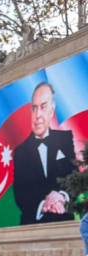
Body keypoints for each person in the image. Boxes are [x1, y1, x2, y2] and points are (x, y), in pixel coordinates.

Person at [13, 82, 78, 225]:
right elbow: (20, 193)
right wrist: (43, 205)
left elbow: (73, 174)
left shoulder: (65, 139)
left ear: (52, 110)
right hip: (31, 226)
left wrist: (61, 197)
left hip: (64, 222)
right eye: (34, 108)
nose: (38, 115)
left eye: (43, 107)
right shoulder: (19, 152)